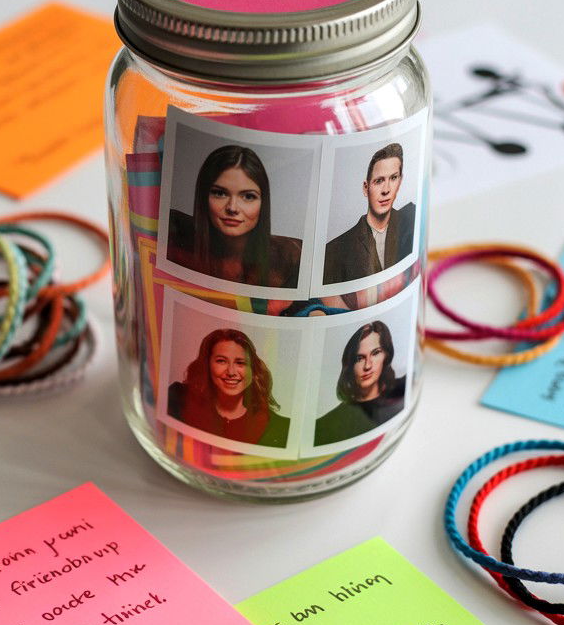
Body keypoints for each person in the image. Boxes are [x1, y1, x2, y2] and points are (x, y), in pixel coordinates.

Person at [167, 144, 302, 288]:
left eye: (248, 196)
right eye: (220, 193)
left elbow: (304, 305)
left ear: (263, 203)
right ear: (203, 196)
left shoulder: (290, 257)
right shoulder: (173, 238)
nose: (232, 208)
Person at [167, 328, 290, 447]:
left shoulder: (280, 427)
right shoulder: (177, 400)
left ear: (253, 371)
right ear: (206, 365)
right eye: (221, 361)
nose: (231, 372)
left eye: (240, 363)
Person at [323, 142, 415, 285]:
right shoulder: (337, 249)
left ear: (400, 181)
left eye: (393, 178)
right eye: (379, 181)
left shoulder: (412, 220)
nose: (386, 190)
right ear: (366, 188)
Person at [314, 321, 406, 445]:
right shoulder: (326, 424)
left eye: (375, 353)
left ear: (387, 355)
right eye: (359, 358)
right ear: (350, 364)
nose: (367, 365)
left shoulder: (402, 390)